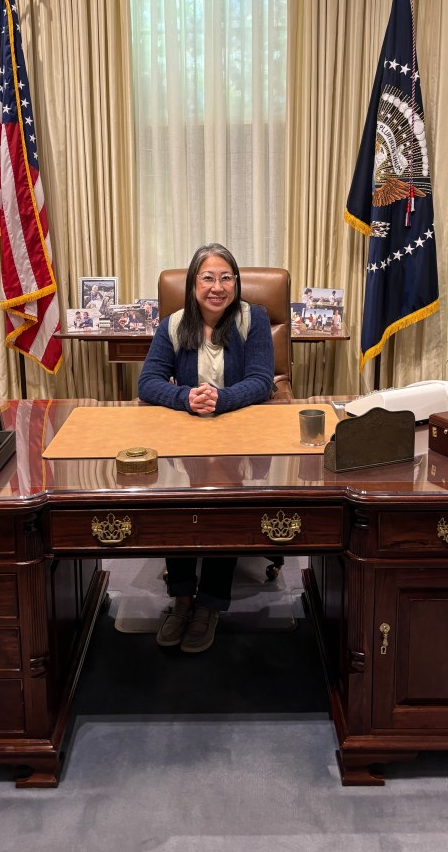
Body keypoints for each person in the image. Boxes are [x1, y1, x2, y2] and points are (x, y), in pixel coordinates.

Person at [137, 242, 275, 654]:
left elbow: (262, 380)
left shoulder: (254, 318)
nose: (218, 287)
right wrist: (185, 398)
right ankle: (181, 599)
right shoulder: (174, 324)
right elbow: (148, 382)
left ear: (236, 282)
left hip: (238, 432)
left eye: (226, 277)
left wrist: (220, 398)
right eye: (208, 278)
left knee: (222, 503)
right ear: (193, 284)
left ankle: (210, 604)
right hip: (187, 432)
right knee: (175, 501)